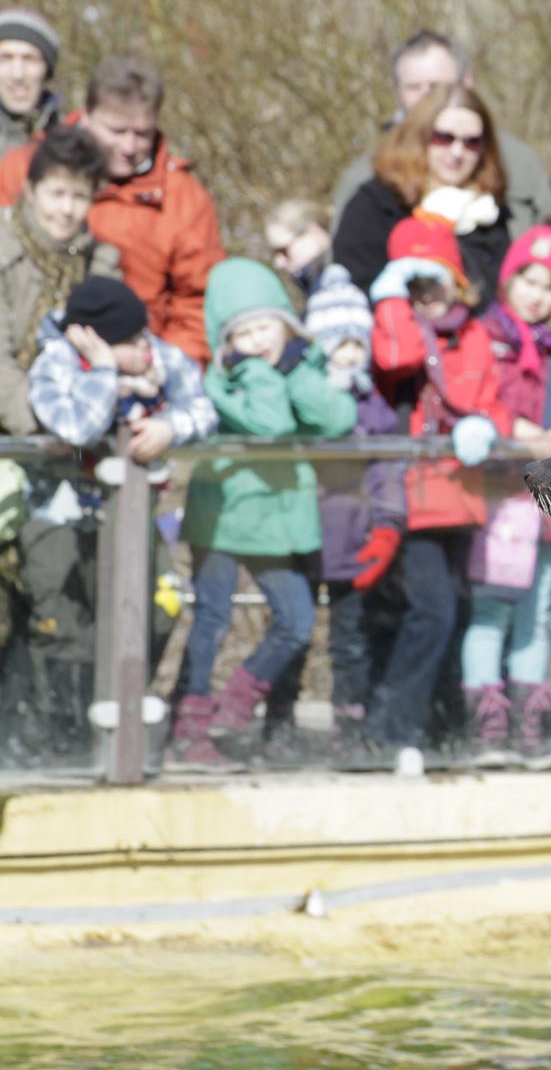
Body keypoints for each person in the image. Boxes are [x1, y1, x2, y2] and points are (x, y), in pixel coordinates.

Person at [172, 259, 357, 769]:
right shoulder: (225, 380)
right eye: (244, 332)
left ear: (287, 324)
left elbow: (338, 417)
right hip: (226, 513)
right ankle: (188, 728)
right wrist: (261, 369)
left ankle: (233, 708)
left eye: (265, 326)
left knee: (296, 622)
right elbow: (271, 421)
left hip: (279, 519)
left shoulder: (296, 369)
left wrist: (298, 369)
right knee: (211, 619)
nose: (257, 341)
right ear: (225, 339)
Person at [25, 276, 217, 757]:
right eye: (130, 342)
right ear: (91, 340)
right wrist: (108, 372)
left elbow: (204, 406)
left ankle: (122, 721)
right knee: (66, 629)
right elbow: (76, 425)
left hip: (132, 516)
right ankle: (68, 746)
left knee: (160, 605)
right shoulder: (57, 364)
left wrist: (171, 425)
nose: (144, 349)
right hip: (59, 516)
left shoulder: (155, 354)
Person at [368, 214, 513, 775]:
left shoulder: (475, 333)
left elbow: (493, 400)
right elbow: (396, 358)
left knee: (455, 615)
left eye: (436, 281)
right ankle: (392, 728)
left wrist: (487, 424)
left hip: (465, 497)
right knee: (432, 612)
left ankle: (440, 728)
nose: (428, 296)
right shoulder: (399, 325)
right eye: (416, 284)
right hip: (415, 499)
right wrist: (392, 301)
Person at [463, 224, 551, 765]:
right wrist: (517, 429)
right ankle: (486, 723)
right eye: (528, 280)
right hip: (496, 496)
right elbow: (476, 398)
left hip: (542, 505)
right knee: (492, 607)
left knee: (535, 612)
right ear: (509, 279)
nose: (536, 295)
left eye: (549, 287)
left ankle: (527, 718)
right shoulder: (485, 335)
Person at [0, 56, 227, 365]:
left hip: (139, 362)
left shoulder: (184, 198)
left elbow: (198, 304)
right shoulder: (25, 166)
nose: (129, 147)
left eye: (142, 133)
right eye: (116, 131)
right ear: (88, 114)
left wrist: (163, 372)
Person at [301, 263, 405, 766]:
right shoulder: (301, 396)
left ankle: (351, 729)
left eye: (357, 344)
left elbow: (388, 473)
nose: (349, 354)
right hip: (301, 535)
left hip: (353, 541)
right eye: (338, 342)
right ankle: (278, 720)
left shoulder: (375, 408)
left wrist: (387, 526)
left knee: (350, 643)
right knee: (296, 631)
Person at [330, 30, 551, 254]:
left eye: (438, 87)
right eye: (413, 87)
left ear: (466, 82)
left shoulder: (515, 160)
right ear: (395, 91)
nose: (426, 98)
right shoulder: (368, 177)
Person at [333, 82, 511, 311]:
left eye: (471, 142)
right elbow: (354, 290)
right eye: (444, 138)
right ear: (420, 137)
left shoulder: (489, 210)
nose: (457, 152)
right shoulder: (378, 203)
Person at [0, 127, 122, 439]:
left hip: (77, 430)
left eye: (80, 196)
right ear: (31, 190)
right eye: (56, 194)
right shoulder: (5, 250)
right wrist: (44, 426)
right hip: (23, 430)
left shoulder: (100, 265)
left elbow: (114, 349)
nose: (67, 210)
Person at [0, 9, 62, 156]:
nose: (18, 74)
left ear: (47, 69)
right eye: (6, 58)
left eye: (29, 58)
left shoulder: (71, 139)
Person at [265, 199, 332, 301]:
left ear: (314, 232)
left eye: (284, 250)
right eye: (275, 253)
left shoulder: (335, 293)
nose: (278, 263)